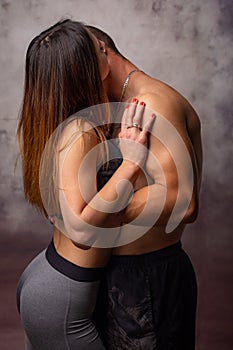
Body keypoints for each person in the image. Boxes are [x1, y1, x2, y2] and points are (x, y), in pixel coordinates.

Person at [15, 19, 155, 350]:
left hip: (53, 279)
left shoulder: (69, 125)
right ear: (84, 69)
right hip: (60, 298)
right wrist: (132, 165)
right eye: (97, 48)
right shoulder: (79, 132)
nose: (105, 48)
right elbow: (80, 229)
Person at [87, 25, 203, 349]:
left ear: (101, 50)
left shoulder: (150, 103)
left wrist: (94, 213)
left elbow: (184, 202)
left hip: (146, 283)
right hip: (130, 280)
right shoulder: (122, 104)